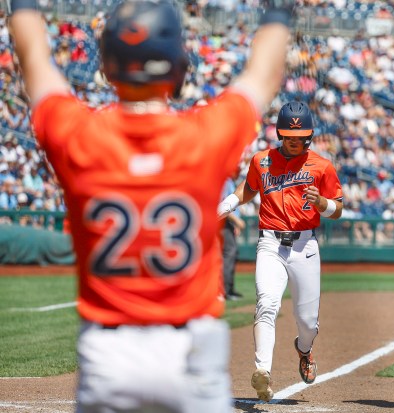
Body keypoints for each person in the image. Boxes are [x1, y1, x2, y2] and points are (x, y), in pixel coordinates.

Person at [9, 0, 291, 411]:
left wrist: (23, 5)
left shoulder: (78, 136)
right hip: (190, 348)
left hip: (108, 352)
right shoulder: (205, 136)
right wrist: (279, 12)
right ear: (178, 65)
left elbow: (34, 58)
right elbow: (263, 73)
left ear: (107, 66)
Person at [218, 101, 343, 402]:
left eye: (299, 136)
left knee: (308, 322)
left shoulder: (322, 166)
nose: (294, 140)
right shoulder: (261, 161)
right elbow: (245, 190)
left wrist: (322, 204)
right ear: (280, 134)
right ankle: (263, 371)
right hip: (271, 243)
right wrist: (223, 207)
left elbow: (338, 210)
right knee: (267, 303)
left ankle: (304, 349)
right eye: (289, 135)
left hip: (305, 246)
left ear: (309, 136)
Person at [221, 166, 245, 301]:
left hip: (228, 223)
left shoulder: (230, 182)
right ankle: (225, 291)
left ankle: (229, 289)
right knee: (229, 254)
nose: (238, 172)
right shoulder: (225, 182)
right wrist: (236, 221)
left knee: (232, 254)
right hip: (223, 222)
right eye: (236, 170)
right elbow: (222, 205)